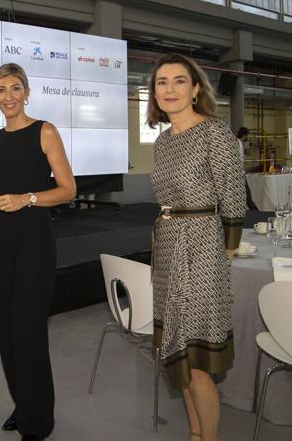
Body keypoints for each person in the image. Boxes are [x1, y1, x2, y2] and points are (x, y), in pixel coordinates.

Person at [147, 53, 246, 441]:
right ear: (154, 93)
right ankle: (194, 434)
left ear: (196, 89)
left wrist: (228, 249)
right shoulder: (161, 141)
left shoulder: (214, 133)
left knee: (199, 361)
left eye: (178, 81)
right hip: (169, 246)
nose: (169, 89)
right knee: (179, 355)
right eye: (161, 82)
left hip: (204, 248)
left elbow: (233, 195)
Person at [0, 63, 76, 441]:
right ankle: (22, 405)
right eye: (1, 90)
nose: (8, 97)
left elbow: (68, 190)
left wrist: (28, 198)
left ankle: (39, 421)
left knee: (29, 328)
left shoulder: (45, 131)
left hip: (35, 238)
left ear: (27, 92)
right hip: (1, 237)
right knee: (7, 328)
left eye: (15, 88)